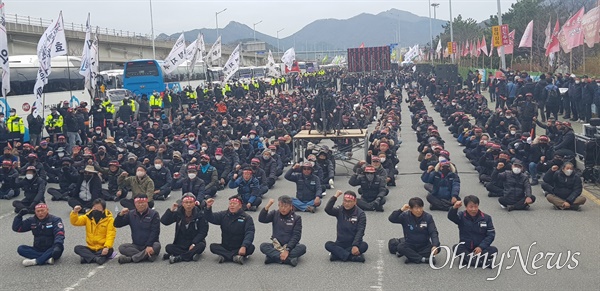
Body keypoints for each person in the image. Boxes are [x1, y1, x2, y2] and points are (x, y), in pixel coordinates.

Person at [447, 195, 497, 268]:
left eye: (476, 206)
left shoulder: (486, 218)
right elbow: (451, 217)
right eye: (471, 207)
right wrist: (454, 208)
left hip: (479, 249)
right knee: (456, 247)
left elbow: (491, 235)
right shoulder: (461, 216)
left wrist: (481, 247)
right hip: (466, 247)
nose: (474, 209)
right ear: (466, 207)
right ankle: (481, 262)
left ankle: (468, 260)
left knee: (494, 250)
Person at [205, 196, 255, 265]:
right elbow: (211, 218)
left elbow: (250, 233)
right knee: (212, 247)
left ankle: (225, 256)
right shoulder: (223, 215)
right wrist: (208, 208)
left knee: (251, 248)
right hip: (226, 246)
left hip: (239, 247)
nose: (232, 205)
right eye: (230, 203)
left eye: (234, 204)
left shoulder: (246, 218)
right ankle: (234, 257)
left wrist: (244, 246)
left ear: (240, 206)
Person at [388, 197, 440, 264]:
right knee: (400, 247)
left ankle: (411, 257)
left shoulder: (428, 217)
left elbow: (433, 232)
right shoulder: (405, 216)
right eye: (416, 208)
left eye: (421, 207)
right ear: (410, 209)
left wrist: (435, 245)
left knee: (438, 248)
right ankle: (422, 259)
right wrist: (401, 210)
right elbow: (392, 219)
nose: (419, 210)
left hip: (424, 245)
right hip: (410, 244)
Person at [160, 193, 209, 264]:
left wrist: (194, 243)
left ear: (194, 204)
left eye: (190, 202)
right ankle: (190, 255)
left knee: (201, 246)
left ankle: (179, 257)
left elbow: (203, 232)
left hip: (195, 242)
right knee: (168, 247)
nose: (188, 205)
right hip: (181, 243)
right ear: (182, 204)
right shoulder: (178, 213)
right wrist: (171, 210)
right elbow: (164, 221)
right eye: (186, 202)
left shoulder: (200, 214)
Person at [259, 196, 306, 267]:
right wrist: (267, 206)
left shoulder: (297, 218)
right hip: (277, 245)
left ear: (291, 207)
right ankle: (289, 260)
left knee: (302, 248)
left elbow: (296, 236)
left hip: (290, 246)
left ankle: (273, 257)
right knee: (263, 246)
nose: (283, 208)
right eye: (280, 206)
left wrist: (287, 250)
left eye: (285, 206)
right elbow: (262, 219)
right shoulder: (274, 214)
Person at [113, 194, 161, 264]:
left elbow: (155, 231)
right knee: (122, 247)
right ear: (135, 204)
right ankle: (146, 255)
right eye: (138, 203)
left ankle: (131, 259)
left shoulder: (154, 214)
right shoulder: (131, 214)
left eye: (143, 203)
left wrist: (149, 245)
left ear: (147, 203)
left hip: (150, 244)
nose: (141, 205)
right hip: (136, 245)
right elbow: (117, 225)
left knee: (157, 246)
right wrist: (120, 215)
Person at [324, 190, 368, 263]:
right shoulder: (339, 210)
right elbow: (327, 209)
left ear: (354, 202)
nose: (346, 203)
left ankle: (337, 255)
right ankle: (351, 257)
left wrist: (355, 245)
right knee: (328, 244)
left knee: (364, 246)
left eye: (349, 201)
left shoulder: (361, 214)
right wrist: (335, 196)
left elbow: (360, 231)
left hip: (352, 243)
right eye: (345, 201)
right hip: (340, 243)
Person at [70, 198, 116, 265]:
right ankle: (96, 258)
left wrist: (106, 247)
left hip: (102, 247)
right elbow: (75, 222)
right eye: (94, 208)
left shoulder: (109, 219)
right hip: (91, 248)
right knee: (77, 248)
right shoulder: (88, 216)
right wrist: (74, 212)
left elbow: (111, 235)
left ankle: (87, 258)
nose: (95, 210)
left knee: (110, 251)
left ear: (103, 210)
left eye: (98, 209)